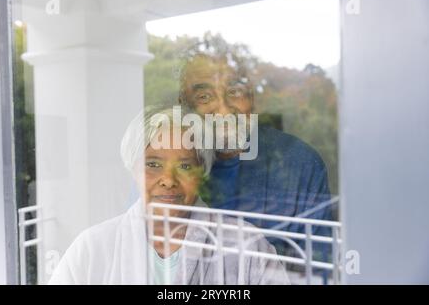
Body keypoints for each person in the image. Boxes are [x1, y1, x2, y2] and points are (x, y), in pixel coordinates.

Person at [49, 106, 289, 285]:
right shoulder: (92, 248)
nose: (168, 180)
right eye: (153, 164)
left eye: (185, 166)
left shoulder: (248, 247)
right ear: (133, 168)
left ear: (201, 172)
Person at [179, 53, 333, 257]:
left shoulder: (300, 164)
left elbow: (317, 266)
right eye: (204, 96)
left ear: (252, 97)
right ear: (184, 105)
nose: (224, 110)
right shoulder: (163, 162)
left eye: (235, 91)